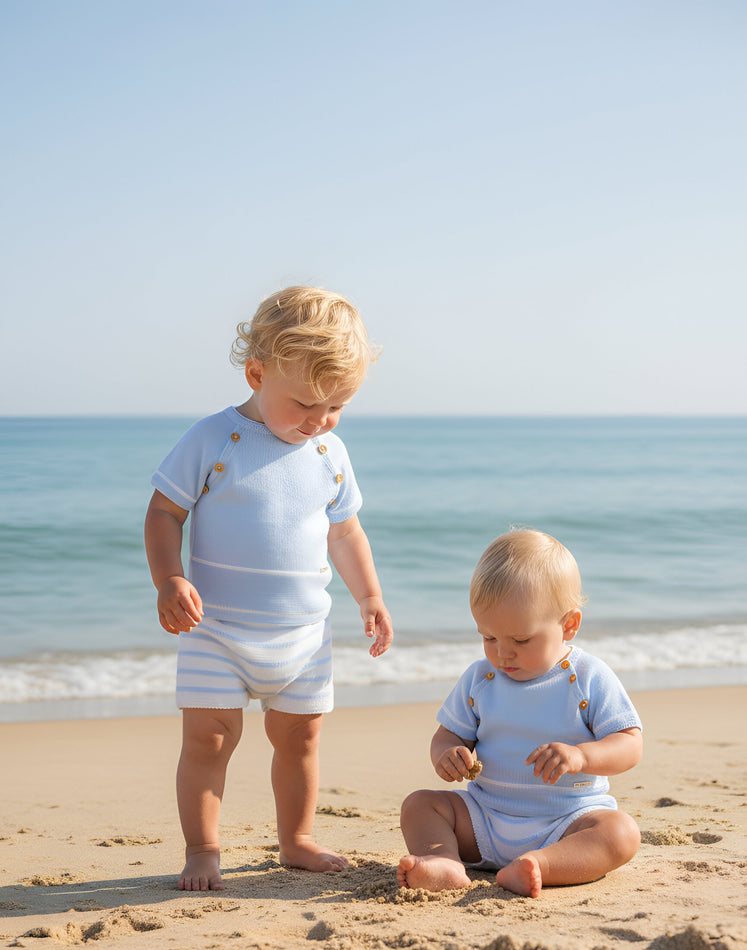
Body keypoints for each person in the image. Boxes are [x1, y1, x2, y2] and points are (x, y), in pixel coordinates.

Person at [145, 285, 393, 892]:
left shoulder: (330, 452)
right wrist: (169, 578)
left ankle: (296, 840)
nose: (319, 419)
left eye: (336, 406)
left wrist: (370, 596)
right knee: (208, 741)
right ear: (257, 374)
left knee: (300, 740)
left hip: (303, 636)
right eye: (305, 402)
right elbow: (164, 512)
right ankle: (203, 849)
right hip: (216, 630)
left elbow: (345, 532)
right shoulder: (214, 438)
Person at [397, 529, 642, 898]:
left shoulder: (587, 677)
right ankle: (445, 862)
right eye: (489, 637)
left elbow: (629, 744)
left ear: (569, 625)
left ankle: (540, 864)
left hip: (566, 822)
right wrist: (446, 754)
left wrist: (581, 756)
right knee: (419, 805)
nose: (502, 653)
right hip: (483, 818)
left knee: (620, 833)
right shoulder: (481, 679)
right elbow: (448, 735)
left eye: (521, 640)